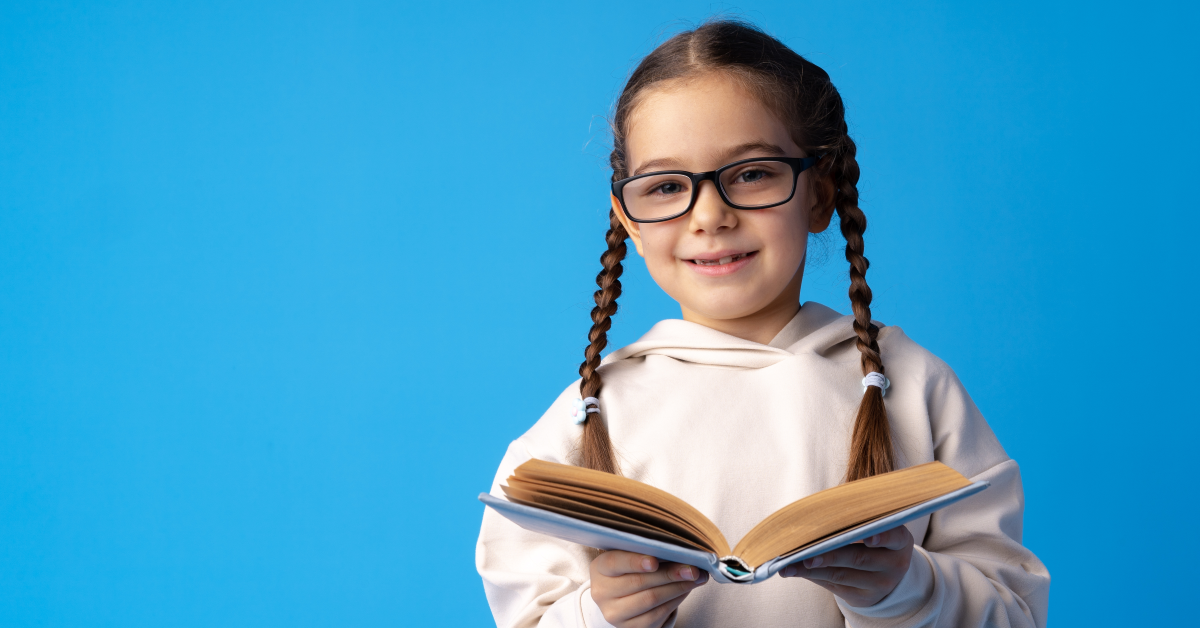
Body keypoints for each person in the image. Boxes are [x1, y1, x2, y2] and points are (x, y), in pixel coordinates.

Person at [476, 19, 1049, 628]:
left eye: (751, 174)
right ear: (630, 221)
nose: (710, 216)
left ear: (820, 193)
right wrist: (600, 613)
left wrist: (909, 588)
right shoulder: (582, 421)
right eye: (667, 186)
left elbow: (1013, 611)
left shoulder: (914, 386)